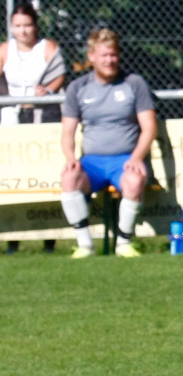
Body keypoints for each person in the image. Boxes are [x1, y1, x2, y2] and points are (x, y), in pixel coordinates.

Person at [59, 28, 157, 258]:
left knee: (134, 181)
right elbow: (67, 132)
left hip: (124, 160)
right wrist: (71, 158)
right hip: (91, 162)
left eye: (113, 54)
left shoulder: (134, 83)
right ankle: (85, 246)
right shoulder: (78, 88)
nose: (110, 60)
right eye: (104, 55)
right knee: (68, 177)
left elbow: (149, 127)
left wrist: (136, 158)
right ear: (91, 56)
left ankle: (123, 244)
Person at [1, 2, 67, 254]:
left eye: (27, 25)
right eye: (17, 26)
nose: (23, 31)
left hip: (44, 115)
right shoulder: (6, 50)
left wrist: (48, 89)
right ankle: (12, 238)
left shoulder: (47, 48)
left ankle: (49, 238)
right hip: (13, 118)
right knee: (14, 176)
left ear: (35, 25)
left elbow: (59, 74)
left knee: (45, 174)